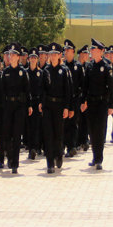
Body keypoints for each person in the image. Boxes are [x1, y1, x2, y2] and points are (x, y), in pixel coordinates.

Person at [81, 39, 113, 170]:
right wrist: (83, 101)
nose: (92, 51)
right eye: (92, 49)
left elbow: (111, 88)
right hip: (91, 103)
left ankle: (99, 159)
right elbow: (85, 86)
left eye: (94, 49)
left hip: (102, 103)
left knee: (100, 131)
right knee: (91, 131)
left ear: (100, 51)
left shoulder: (106, 67)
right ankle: (95, 156)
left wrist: (111, 105)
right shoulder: (89, 66)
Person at [41, 42, 73, 174]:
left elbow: (68, 91)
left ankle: (58, 155)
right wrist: (41, 103)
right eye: (51, 54)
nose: (53, 56)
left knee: (58, 133)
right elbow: (42, 89)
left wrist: (67, 107)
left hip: (60, 106)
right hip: (48, 105)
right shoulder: (46, 70)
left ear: (60, 55)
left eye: (55, 54)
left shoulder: (64, 70)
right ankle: (49, 163)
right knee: (48, 134)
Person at [0, 43, 31, 174]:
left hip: (19, 107)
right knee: (7, 135)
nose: (10, 56)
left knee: (17, 135)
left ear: (18, 57)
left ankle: (15, 164)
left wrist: (28, 106)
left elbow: (27, 90)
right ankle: (10, 156)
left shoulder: (23, 72)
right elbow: (2, 91)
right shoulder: (5, 72)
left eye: (13, 55)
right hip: (8, 106)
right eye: (9, 54)